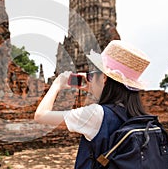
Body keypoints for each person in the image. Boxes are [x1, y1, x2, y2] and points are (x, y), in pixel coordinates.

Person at [34, 40, 151, 168]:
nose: (89, 79)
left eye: (92, 75)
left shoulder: (96, 114)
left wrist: (57, 85)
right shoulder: (141, 117)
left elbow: (41, 116)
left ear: (104, 78)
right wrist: (95, 85)